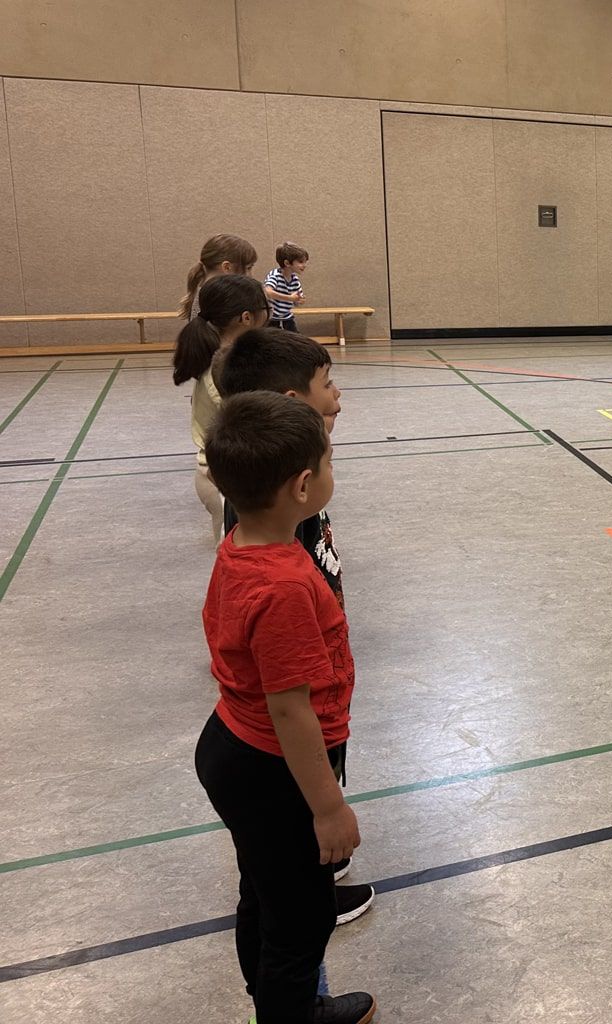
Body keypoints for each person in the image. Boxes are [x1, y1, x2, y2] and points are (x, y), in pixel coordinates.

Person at [193, 392, 377, 1024]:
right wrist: (328, 810)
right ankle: (288, 1012)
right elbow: (290, 711)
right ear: (304, 485)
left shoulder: (242, 544)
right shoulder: (286, 587)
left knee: (263, 898)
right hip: (276, 771)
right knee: (299, 925)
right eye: (328, 460)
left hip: (232, 748)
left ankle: (276, 1005)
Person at [215, 328, 371, 938]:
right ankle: (307, 887)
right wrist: (329, 809)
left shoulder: (273, 488)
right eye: (326, 385)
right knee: (301, 821)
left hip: (309, 680)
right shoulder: (275, 542)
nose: (337, 396)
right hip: (299, 702)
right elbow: (287, 702)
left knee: (284, 842)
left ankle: (301, 877)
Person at [173, 275, 269, 542]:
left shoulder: (225, 357)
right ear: (247, 317)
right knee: (237, 552)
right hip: (223, 480)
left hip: (225, 475)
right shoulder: (226, 367)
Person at [181, 234, 258, 321]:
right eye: (249, 268)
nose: (250, 275)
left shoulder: (207, 295)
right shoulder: (215, 300)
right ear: (227, 267)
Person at [266, 243, 310, 332]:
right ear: (287, 263)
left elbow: (296, 302)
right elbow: (267, 292)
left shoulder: (295, 279)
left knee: (296, 341)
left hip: (287, 318)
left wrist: (298, 301)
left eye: (305, 262)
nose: (304, 265)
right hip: (272, 319)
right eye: (301, 262)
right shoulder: (275, 276)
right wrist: (290, 298)